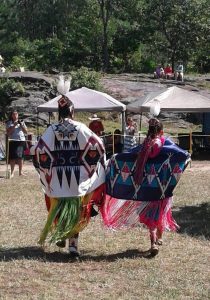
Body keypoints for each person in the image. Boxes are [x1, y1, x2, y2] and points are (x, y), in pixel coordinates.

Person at [100, 118, 190, 256]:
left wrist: (115, 158)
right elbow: (181, 154)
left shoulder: (144, 146)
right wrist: (187, 158)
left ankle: (154, 242)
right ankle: (158, 239)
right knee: (160, 214)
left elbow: (129, 155)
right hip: (161, 189)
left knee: (150, 217)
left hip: (145, 189)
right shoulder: (166, 144)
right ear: (161, 131)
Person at [30, 95, 106, 257]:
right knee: (76, 212)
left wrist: (46, 168)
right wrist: (89, 165)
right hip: (78, 178)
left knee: (59, 209)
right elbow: (98, 145)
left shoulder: (51, 129)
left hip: (58, 179)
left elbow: (39, 150)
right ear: (72, 111)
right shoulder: (80, 128)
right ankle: (73, 246)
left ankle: (61, 234)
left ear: (59, 112)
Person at [6, 110, 28, 177]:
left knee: (20, 157)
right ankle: (12, 173)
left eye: (16, 114)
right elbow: (8, 133)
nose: (15, 116)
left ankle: (20, 172)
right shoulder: (9, 122)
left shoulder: (21, 122)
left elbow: (26, 132)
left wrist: (21, 125)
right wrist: (13, 125)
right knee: (12, 158)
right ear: (11, 116)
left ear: (18, 115)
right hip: (13, 141)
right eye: (14, 114)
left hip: (21, 141)